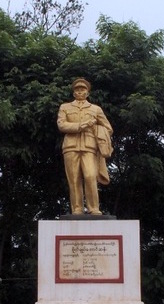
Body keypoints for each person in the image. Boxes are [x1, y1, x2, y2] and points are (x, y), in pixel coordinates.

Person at [57, 78, 113, 215]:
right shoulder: (65, 107)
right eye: (77, 89)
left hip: (89, 146)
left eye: (83, 89)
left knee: (90, 176)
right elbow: (61, 125)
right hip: (70, 146)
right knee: (74, 178)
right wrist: (80, 126)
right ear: (74, 92)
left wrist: (95, 128)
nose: (80, 91)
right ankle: (77, 208)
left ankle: (94, 208)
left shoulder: (95, 109)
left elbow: (108, 128)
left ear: (87, 92)